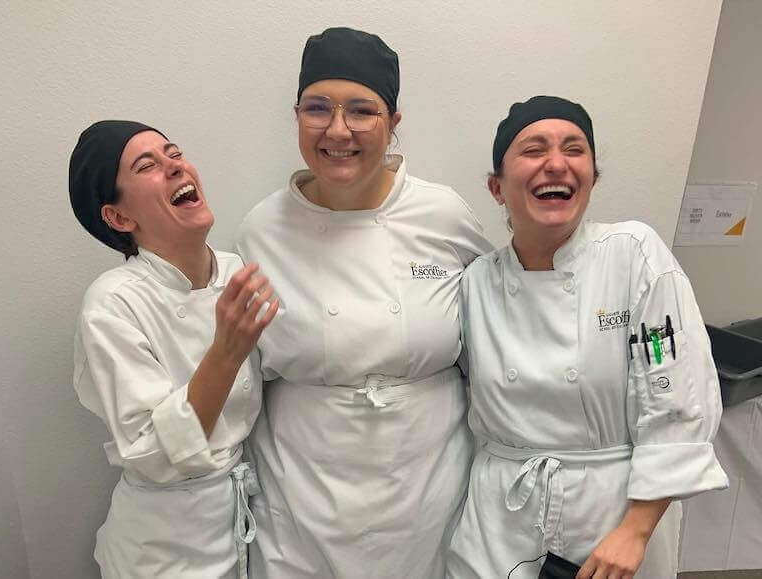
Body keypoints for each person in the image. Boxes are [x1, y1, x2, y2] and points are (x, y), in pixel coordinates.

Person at [235, 27, 493, 579]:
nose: (338, 130)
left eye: (362, 111)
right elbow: (244, 371)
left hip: (426, 488)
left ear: (394, 123)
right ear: (296, 116)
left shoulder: (443, 216)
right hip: (301, 495)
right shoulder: (262, 230)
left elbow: (498, 322)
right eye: (317, 108)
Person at [446, 96, 729, 579]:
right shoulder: (475, 283)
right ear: (496, 187)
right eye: (534, 149)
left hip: (615, 513)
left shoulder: (634, 256)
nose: (556, 163)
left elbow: (676, 400)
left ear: (592, 177)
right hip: (501, 514)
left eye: (574, 149)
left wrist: (635, 531)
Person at [69, 120, 278, 579]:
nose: (174, 167)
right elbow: (156, 453)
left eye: (175, 153)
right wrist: (225, 351)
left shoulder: (235, 270)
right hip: (165, 544)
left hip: (248, 520)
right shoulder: (114, 303)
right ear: (120, 218)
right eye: (148, 165)